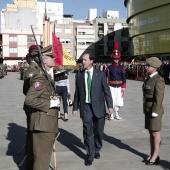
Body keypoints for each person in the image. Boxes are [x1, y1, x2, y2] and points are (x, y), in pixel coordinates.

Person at [72, 53, 113, 166]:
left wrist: (110, 106)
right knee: (87, 132)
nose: (82, 62)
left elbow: (106, 91)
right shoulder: (79, 75)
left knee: (99, 132)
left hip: (99, 107)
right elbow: (77, 93)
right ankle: (90, 154)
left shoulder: (100, 74)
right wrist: (75, 107)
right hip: (85, 108)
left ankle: (97, 148)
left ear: (91, 61)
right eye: (82, 60)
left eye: (85, 60)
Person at [24, 45, 59, 170]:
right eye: (50, 57)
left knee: (41, 160)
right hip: (43, 125)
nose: (53, 58)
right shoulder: (40, 77)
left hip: (46, 124)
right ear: (44, 60)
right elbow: (29, 100)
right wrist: (50, 104)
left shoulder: (46, 76)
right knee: (41, 163)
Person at [142, 57, 165, 165]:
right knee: (151, 132)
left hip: (154, 109)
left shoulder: (158, 79)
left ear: (154, 67)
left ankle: (155, 156)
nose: (146, 67)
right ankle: (152, 153)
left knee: (156, 133)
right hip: (148, 108)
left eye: (148, 66)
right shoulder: (149, 78)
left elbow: (159, 97)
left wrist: (155, 110)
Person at [106, 42, 126, 120]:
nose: (116, 60)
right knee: (112, 100)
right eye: (115, 58)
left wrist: (124, 87)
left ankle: (116, 114)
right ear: (112, 58)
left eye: (117, 59)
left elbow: (124, 77)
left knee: (119, 101)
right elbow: (106, 77)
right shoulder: (108, 68)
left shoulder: (122, 68)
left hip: (119, 87)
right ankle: (111, 114)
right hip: (111, 86)